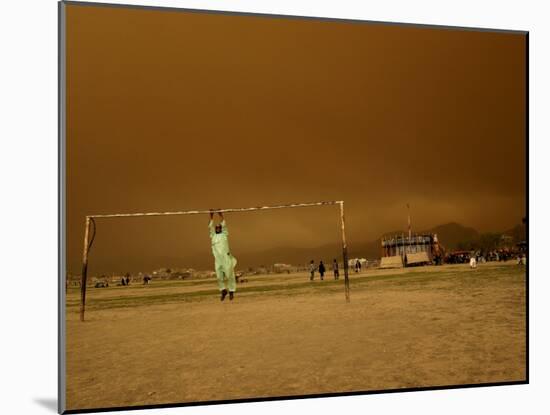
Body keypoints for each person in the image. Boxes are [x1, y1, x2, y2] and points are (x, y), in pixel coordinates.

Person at [209, 210, 238, 301]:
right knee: (219, 276)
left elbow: (224, 225)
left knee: (230, 275)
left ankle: (231, 291)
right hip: (218, 259)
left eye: (219, 227)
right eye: (216, 227)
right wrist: (211, 216)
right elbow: (210, 227)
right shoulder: (212, 235)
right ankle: (223, 290)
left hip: (226, 258)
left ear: (221, 229)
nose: (217, 228)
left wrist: (221, 215)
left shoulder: (224, 234)